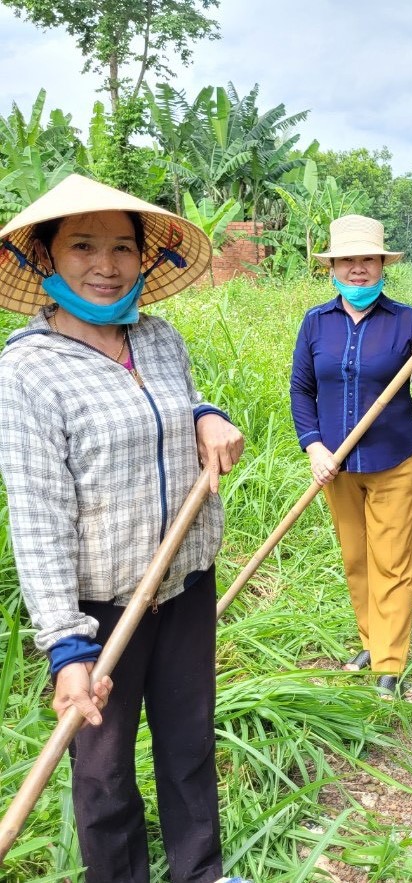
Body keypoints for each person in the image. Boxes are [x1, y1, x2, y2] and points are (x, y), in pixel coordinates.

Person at [0, 174, 245, 883]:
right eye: (82, 246)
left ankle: (200, 872)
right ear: (45, 258)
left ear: (144, 257)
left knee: (188, 743)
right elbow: (38, 516)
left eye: (120, 248)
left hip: (185, 583)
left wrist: (206, 414)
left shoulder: (159, 338)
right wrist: (66, 646)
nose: (105, 266)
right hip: (101, 610)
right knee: (103, 775)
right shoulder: (27, 370)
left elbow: (175, 403)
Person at [290, 214, 412, 696]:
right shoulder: (316, 323)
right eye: (348, 260)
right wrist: (314, 446)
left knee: (393, 560)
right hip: (336, 465)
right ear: (332, 268)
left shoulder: (405, 320)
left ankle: (390, 663)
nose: (358, 268)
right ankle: (371, 639)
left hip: (393, 460)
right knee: (356, 558)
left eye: (368, 259)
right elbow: (301, 389)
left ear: (382, 265)